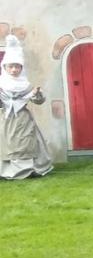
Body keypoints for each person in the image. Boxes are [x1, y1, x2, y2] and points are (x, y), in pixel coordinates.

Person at [0, 35, 52, 179]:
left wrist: (37, 94)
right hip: (5, 118)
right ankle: (7, 170)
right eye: (11, 66)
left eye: (17, 66)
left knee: (25, 141)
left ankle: (28, 169)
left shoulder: (26, 85)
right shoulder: (2, 84)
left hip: (23, 119)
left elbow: (38, 101)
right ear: (5, 67)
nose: (14, 70)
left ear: (21, 68)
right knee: (7, 142)